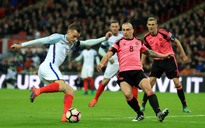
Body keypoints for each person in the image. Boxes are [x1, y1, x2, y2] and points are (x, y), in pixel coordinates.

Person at [11, 23, 112, 122]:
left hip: (50, 68)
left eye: (77, 37)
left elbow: (86, 42)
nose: (75, 39)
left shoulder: (72, 42)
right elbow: (41, 41)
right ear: (68, 32)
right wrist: (21, 45)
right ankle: (37, 91)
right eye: (73, 36)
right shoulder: (57, 37)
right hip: (48, 66)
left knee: (70, 91)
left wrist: (104, 38)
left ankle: (64, 117)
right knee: (62, 85)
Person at [97, 22, 171, 122]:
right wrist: (102, 63)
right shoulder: (118, 42)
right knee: (128, 95)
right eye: (123, 30)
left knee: (148, 89)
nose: (125, 32)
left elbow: (149, 52)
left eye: (127, 30)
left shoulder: (138, 42)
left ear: (132, 30)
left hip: (137, 72)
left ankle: (158, 113)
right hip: (124, 73)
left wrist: (164, 55)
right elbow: (109, 53)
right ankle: (139, 114)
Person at [140, 17, 191, 113]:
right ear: (147, 25)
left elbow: (177, 42)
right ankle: (143, 105)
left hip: (169, 60)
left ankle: (184, 106)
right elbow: (144, 51)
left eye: (153, 24)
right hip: (157, 60)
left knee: (176, 83)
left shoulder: (164, 33)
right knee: (150, 83)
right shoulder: (146, 37)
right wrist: (141, 63)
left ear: (156, 25)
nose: (151, 26)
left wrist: (183, 55)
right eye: (149, 24)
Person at [89, 20, 139, 107]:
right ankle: (95, 99)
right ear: (110, 28)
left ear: (119, 27)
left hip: (124, 62)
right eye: (113, 27)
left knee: (133, 82)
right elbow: (100, 50)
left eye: (116, 26)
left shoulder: (124, 34)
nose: (115, 28)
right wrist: (109, 58)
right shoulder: (107, 38)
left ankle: (136, 101)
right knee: (105, 81)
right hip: (113, 62)